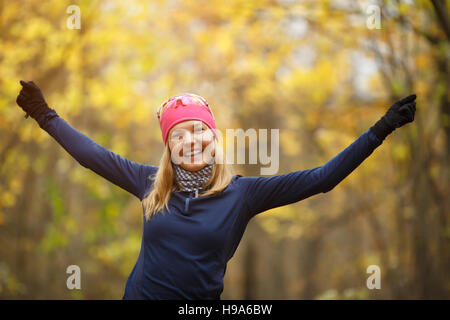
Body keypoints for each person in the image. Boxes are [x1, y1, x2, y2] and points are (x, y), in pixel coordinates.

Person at [15, 80, 416, 299]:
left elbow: (322, 179)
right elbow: (91, 155)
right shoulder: (149, 184)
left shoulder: (243, 194)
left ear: (213, 138)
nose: (191, 141)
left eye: (199, 131)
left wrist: (380, 129)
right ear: (168, 145)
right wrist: (44, 115)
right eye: (180, 135)